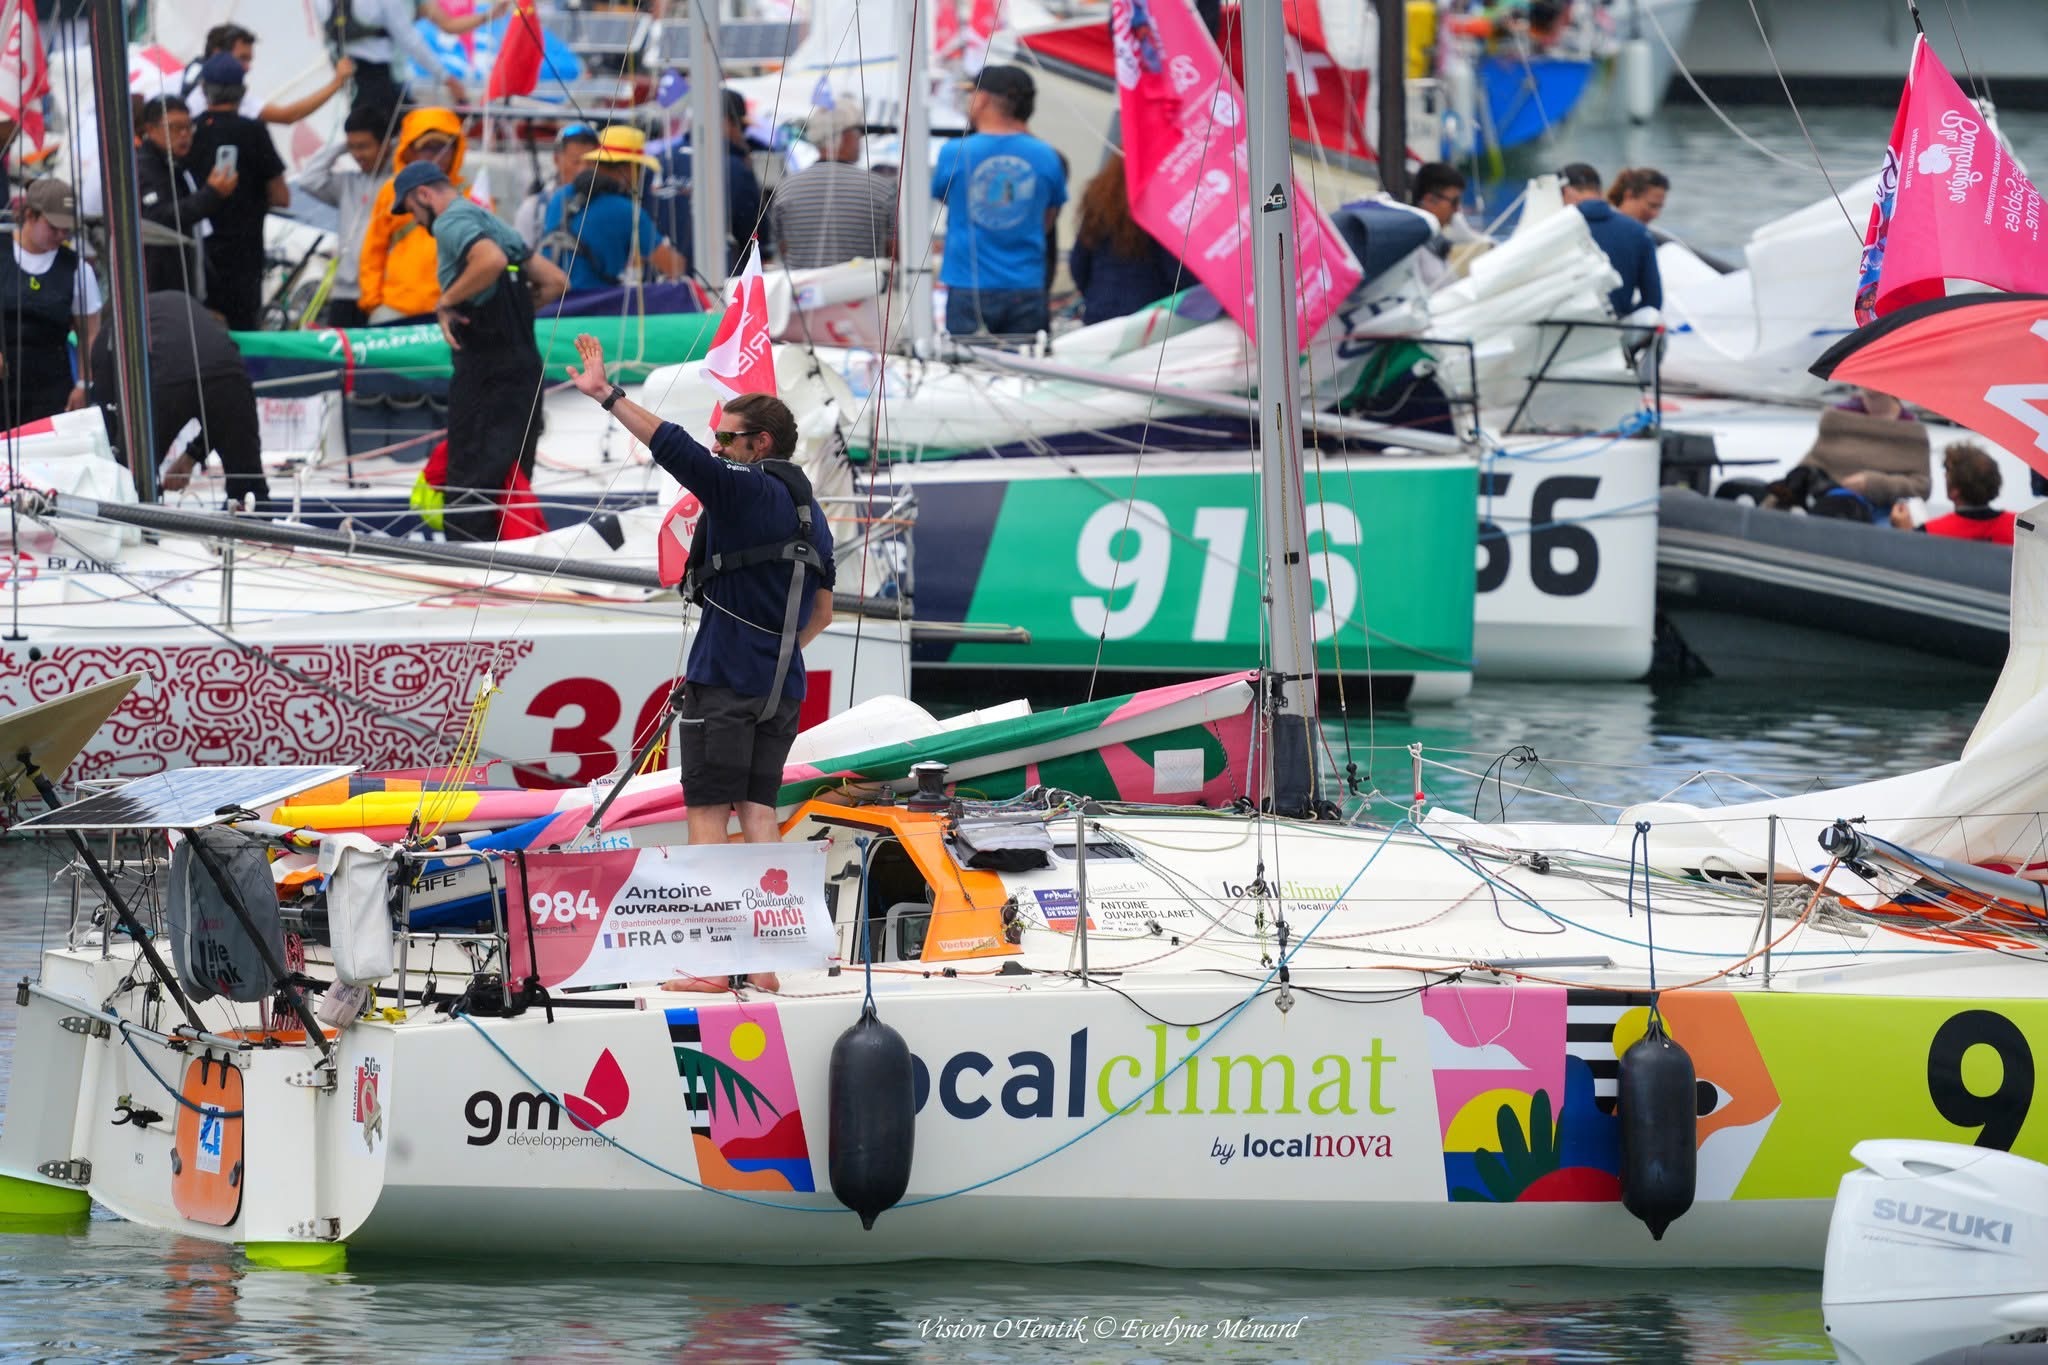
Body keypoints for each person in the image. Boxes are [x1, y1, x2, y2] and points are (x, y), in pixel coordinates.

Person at [565, 334, 834, 986]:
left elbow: (675, 447)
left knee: (708, 815)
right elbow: (822, 613)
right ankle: (766, 962)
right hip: (782, 690)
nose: (718, 446)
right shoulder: (811, 512)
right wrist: (776, 651)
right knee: (759, 814)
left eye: (728, 437)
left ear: (758, 445)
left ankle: (714, 964)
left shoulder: (744, 491)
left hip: (726, 681)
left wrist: (608, 395)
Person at [390, 161, 566, 542]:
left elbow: (491, 261)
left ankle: (470, 571)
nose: (417, 222)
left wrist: (446, 302)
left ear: (423, 195)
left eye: (411, 210)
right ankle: (512, 558)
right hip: (524, 370)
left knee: (471, 474)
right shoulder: (493, 222)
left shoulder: (449, 221)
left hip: (486, 372)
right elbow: (555, 282)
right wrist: (514, 312)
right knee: (510, 473)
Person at [89, 291, 268, 505]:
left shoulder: (110, 330)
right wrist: (192, 456)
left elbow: (107, 412)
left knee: (131, 483)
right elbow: (218, 409)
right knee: (249, 487)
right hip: (230, 371)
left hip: (167, 380)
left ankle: (142, 524)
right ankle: (257, 526)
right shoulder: (177, 301)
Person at [933, 64, 1068, 338]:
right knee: (1025, 375)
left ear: (982, 99)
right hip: (1026, 286)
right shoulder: (1048, 156)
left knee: (966, 373)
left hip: (968, 287)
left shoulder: (953, 152)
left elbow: (948, 198)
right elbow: (1047, 219)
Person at [185, 51, 289, 331]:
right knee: (243, 335)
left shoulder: (189, 133)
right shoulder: (254, 131)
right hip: (246, 254)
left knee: (203, 333)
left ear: (204, 90)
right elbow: (282, 196)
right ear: (242, 91)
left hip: (199, 255)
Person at [538, 125, 688, 293]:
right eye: (640, 169)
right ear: (628, 169)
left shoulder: (559, 197)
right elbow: (674, 267)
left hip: (552, 307)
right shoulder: (626, 211)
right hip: (595, 307)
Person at [0, 179, 100, 429]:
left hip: (50, 388)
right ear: (29, 215)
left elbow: (89, 334)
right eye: (54, 227)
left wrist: (84, 383)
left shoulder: (78, 270)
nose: (61, 236)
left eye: (67, 230)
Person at [359, 106, 471, 324]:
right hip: (396, 307)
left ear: (455, 149)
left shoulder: (471, 194)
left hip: (450, 308)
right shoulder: (391, 190)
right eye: (426, 147)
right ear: (410, 151)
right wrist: (372, 301)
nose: (436, 154)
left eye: (442, 146)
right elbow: (373, 250)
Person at [293, 103, 397, 328]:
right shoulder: (347, 183)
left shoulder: (399, 182)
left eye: (364, 146)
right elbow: (308, 180)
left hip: (384, 293)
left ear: (387, 143)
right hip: (344, 293)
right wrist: (342, 147)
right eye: (353, 147)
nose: (357, 155)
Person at [768, 105, 896, 270]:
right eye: (858, 134)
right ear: (846, 136)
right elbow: (895, 249)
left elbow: (782, 246)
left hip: (803, 292)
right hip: (862, 291)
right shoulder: (881, 187)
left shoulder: (786, 188)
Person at [316, 0, 503, 113]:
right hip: (385, 78)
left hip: (357, 80)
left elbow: (448, 24)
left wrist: (488, 16)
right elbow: (410, 39)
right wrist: (447, 78)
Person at [651, 90, 761, 276]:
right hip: (718, 283)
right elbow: (754, 235)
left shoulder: (659, 162)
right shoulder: (735, 168)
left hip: (660, 284)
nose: (743, 136)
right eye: (742, 128)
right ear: (726, 122)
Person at [135, 95, 236, 296]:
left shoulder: (178, 164)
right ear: (151, 129)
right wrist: (211, 194)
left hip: (185, 285)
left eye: (188, 127)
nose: (184, 134)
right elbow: (159, 218)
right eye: (174, 127)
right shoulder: (144, 167)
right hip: (160, 289)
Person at [1067, 153, 1184, 325]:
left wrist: (1095, 294)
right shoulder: (1164, 202)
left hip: (1099, 313)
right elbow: (1176, 272)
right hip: (1148, 319)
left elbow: (1078, 264)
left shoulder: (1098, 198)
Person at [182, 24, 355, 129]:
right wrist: (337, 83)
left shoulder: (181, 78)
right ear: (218, 53)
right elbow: (287, 116)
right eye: (242, 58)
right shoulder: (227, 91)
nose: (248, 68)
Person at [1560, 161, 1660, 317]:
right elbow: (1653, 302)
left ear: (1565, 192)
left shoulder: (1553, 231)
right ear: (1600, 192)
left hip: (1559, 331)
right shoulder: (1640, 232)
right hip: (1614, 333)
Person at [1891, 442, 2017, 544]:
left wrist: (1906, 535)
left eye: (1947, 473)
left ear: (1954, 492)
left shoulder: (1930, 533)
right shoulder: (2021, 529)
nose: (1945, 476)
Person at [514, 122, 598, 249]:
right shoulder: (534, 209)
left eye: (591, 163)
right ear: (556, 160)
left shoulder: (605, 205)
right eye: (576, 162)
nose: (583, 169)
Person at [1407, 161, 1469, 290]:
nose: (1457, 209)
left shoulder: (1435, 243)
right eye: (1454, 202)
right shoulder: (1410, 247)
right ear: (1429, 200)